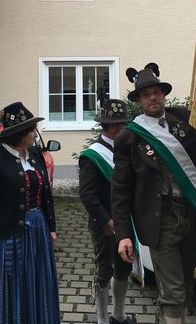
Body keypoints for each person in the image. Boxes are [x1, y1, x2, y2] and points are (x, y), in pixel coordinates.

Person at [111, 63, 196, 324]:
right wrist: (123, 234)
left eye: (156, 92)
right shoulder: (129, 137)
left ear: (164, 95)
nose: (153, 97)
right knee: (174, 292)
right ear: (139, 101)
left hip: (190, 215)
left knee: (187, 288)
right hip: (161, 219)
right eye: (146, 94)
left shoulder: (186, 119)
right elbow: (120, 189)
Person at [0, 102, 59, 324]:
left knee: (40, 280)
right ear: (18, 135)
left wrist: (51, 227)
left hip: (38, 230)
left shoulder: (35, 154)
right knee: (15, 283)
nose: (34, 134)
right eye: (30, 130)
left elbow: (46, 193)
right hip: (10, 235)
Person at [79, 99, 137, 324]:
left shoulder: (125, 150)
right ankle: (102, 319)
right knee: (104, 270)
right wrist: (105, 220)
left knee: (124, 267)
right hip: (103, 223)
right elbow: (87, 195)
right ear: (113, 127)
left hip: (125, 221)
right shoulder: (92, 155)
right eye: (123, 125)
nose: (126, 128)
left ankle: (119, 315)